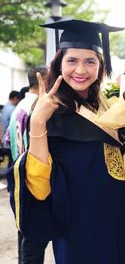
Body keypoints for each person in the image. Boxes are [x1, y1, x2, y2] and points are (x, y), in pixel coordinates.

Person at [6, 18, 125, 264]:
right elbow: (39, 188)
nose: (80, 70)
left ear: (101, 64)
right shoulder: (51, 112)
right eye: (72, 61)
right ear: (59, 63)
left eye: (90, 61)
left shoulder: (115, 102)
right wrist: (37, 124)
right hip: (83, 231)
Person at [6, 66, 48, 264]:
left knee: (24, 230)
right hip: (31, 176)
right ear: (42, 80)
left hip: (17, 173)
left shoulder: (20, 106)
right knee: (33, 240)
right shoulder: (38, 107)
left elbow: (9, 140)